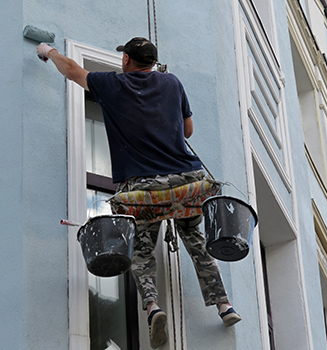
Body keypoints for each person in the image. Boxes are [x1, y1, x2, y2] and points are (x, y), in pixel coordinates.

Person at [37, 37, 241, 349]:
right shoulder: (172, 83)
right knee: (196, 242)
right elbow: (187, 131)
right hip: (187, 182)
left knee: (143, 250)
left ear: (127, 60)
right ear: (153, 62)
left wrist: (48, 51)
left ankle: (152, 307)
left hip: (144, 190)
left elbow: (73, 71)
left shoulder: (112, 85)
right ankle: (224, 306)